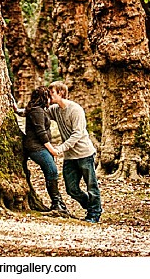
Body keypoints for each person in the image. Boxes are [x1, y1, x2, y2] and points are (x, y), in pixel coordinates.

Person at [48, 81, 103, 224]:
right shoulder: (54, 109)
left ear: (61, 93)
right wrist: (18, 110)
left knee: (91, 185)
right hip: (70, 157)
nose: (49, 95)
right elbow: (37, 113)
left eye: (52, 92)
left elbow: (77, 134)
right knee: (71, 188)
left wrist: (59, 149)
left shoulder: (75, 110)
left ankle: (94, 214)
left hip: (84, 154)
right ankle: (91, 206)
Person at [11, 86, 69, 216]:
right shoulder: (37, 111)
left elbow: (24, 112)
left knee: (51, 172)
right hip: (37, 147)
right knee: (52, 171)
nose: (50, 99)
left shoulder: (36, 110)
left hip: (39, 146)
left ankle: (57, 202)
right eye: (48, 96)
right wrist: (52, 150)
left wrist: (16, 109)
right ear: (44, 98)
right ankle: (56, 202)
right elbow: (41, 132)